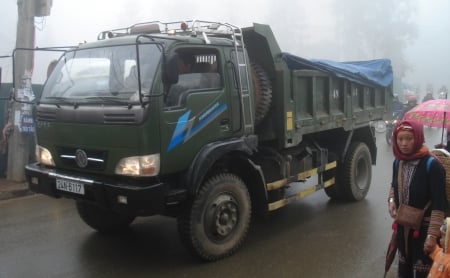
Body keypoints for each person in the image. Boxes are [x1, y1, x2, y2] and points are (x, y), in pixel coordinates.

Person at [388, 120, 448, 277]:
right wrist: (392, 201)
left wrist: (432, 236)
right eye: (400, 139)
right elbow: (394, 186)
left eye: (409, 138)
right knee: (404, 271)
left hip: (424, 231)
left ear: (418, 138)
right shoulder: (398, 162)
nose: (404, 143)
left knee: (422, 273)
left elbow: (439, 203)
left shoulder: (432, 165)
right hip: (403, 228)